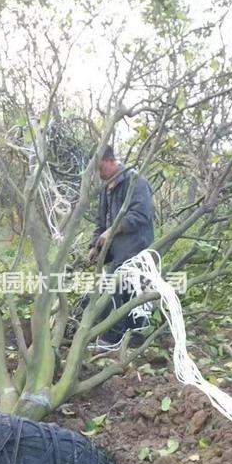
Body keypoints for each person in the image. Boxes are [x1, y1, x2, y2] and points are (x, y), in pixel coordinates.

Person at [87, 146, 155, 349]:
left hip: (136, 247)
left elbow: (142, 214)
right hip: (118, 249)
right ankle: (133, 335)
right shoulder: (106, 188)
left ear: (110, 161)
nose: (98, 175)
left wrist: (114, 229)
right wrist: (94, 246)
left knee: (113, 286)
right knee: (127, 290)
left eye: (100, 169)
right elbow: (101, 221)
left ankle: (113, 337)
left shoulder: (136, 181)